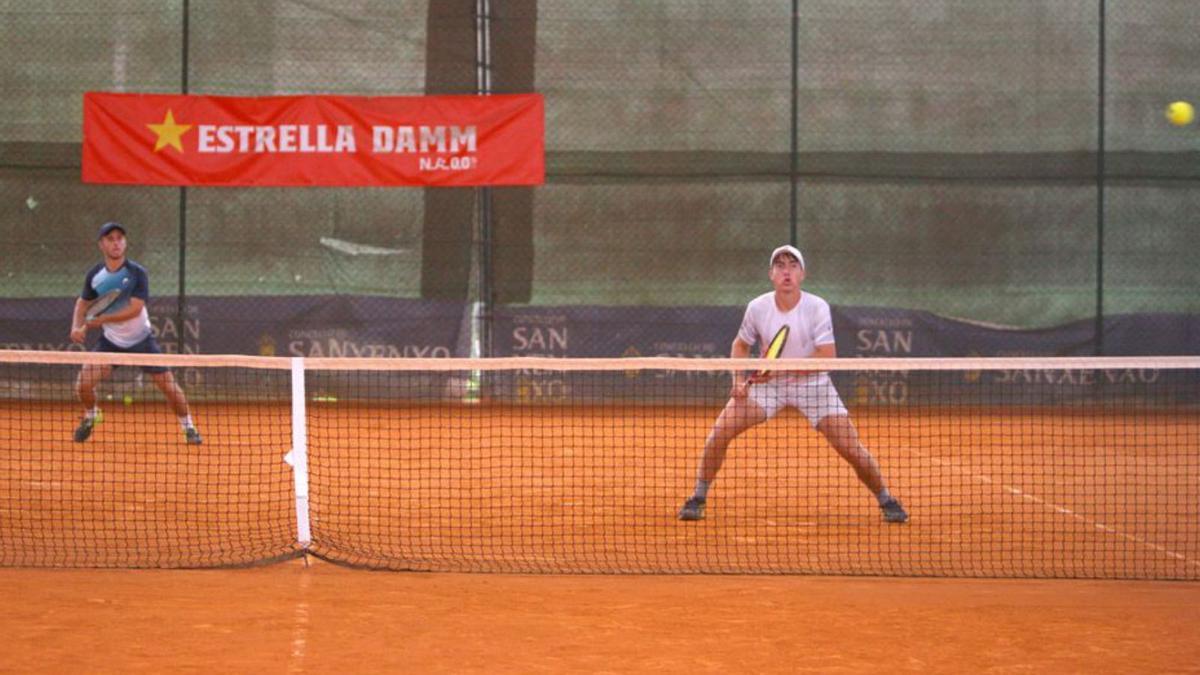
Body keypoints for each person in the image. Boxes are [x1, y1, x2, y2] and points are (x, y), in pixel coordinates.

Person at [678, 245, 906, 523]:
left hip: (814, 385)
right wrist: (738, 379)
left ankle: (886, 499)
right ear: (771, 274)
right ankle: (698, 497)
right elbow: (740, 345)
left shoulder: (816, 307)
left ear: (802, 274)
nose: (786, 271)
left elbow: (826, 356)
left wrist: (776, 370)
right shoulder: (758, 307)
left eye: (793, 265)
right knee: (719, 433)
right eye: (780, 266)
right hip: (768, 388)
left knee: (850, 448)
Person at [69, 221, 202, 445]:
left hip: (142, 341)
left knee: (169, 387)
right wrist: (76, 326)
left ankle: (188, 426)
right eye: (110, 239)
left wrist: (101, 320)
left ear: (125, 243)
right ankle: (92, 416)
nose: (116, 243)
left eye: (120, 238)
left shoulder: (137, 273)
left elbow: (135, 308)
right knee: (83, 385)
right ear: (102, 244)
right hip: (110, 343)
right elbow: (82, 303)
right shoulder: (95, 275)